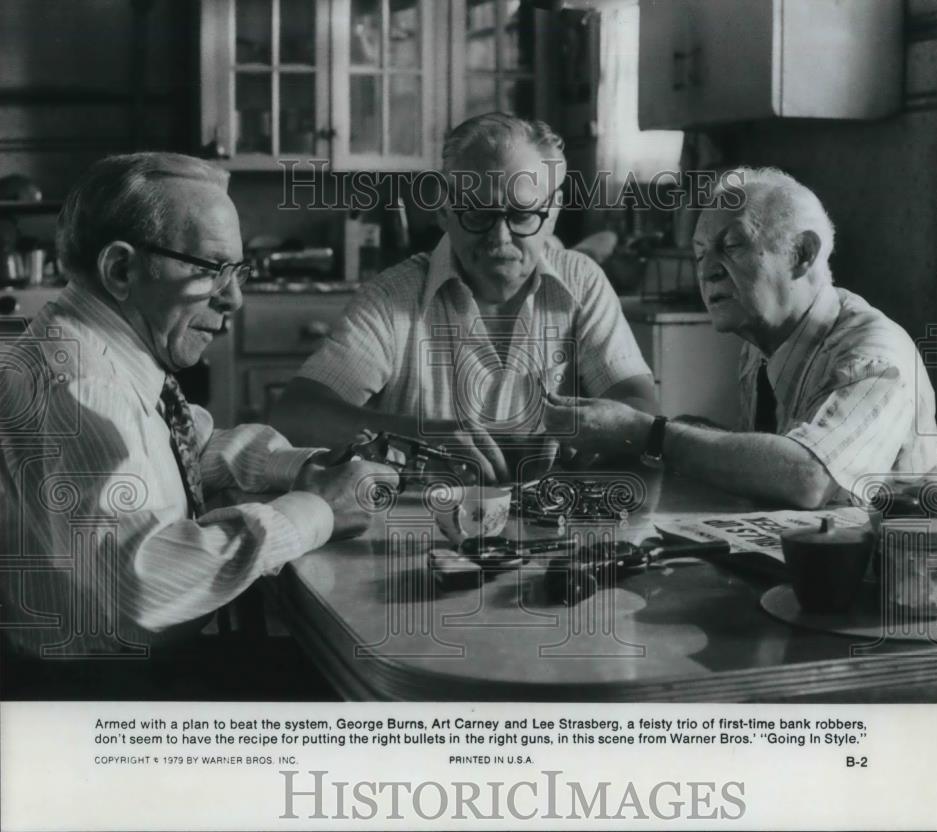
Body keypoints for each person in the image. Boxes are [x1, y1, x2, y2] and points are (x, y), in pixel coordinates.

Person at [0, 153, 397, 677]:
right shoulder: (83, 386)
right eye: (212, 269)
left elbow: (185, 448)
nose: (233, 297)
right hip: (100, 694)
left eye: (236, 271)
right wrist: (316, 509)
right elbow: (146, 583)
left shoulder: (97, 349)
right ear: (121, 268)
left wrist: (300, 467)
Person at [271, 113, 659, 482]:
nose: (500, 238)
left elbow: (641, 409)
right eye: (477, 213)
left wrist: (602, 433)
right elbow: (295, 416)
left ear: (553, 210)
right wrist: (417, 437)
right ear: (444, 210)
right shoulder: (391, 297)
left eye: (522, 215)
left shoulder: (583, 281)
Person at [544, 167, 937, 509]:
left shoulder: (873, 354)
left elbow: (807, 477)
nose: (707, 273)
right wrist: (680, 430)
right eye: (701, 255)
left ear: (802, 253)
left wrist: (649, 432)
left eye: (731, 246)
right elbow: (769, 468)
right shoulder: (761, 345)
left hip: (892, 581)